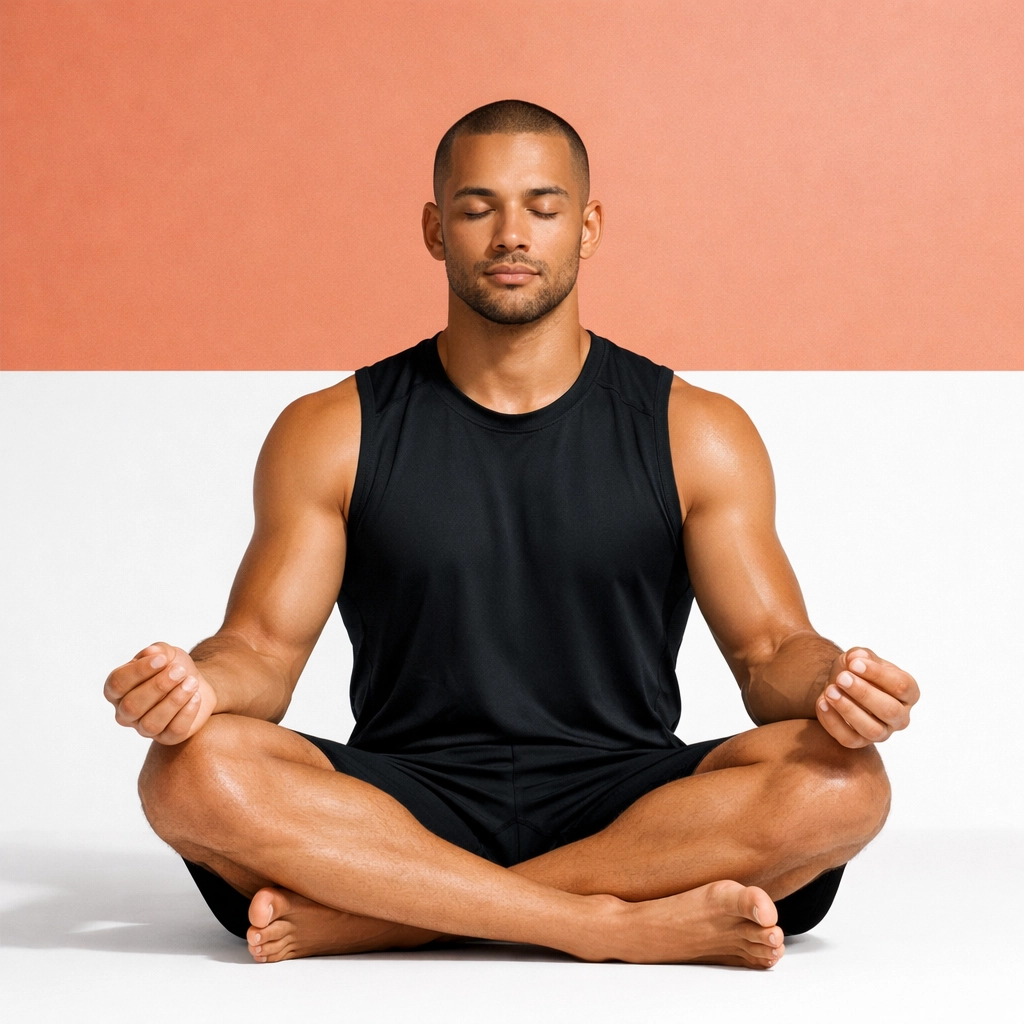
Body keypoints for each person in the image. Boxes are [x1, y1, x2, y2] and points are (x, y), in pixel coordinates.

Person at [103, 100, 918, 968]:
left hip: (630, 802)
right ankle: (599, 926)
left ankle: (395, 915)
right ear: (434, 228)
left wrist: (835, 681)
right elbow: (260, 651)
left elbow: (768, 652)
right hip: (404, 800)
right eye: (477, 206)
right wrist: (194, 684)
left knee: (844, 783)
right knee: (188, 770)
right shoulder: (331, 429)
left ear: (589, 225)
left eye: (544, 205)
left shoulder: (697, 430)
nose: (510, 235)